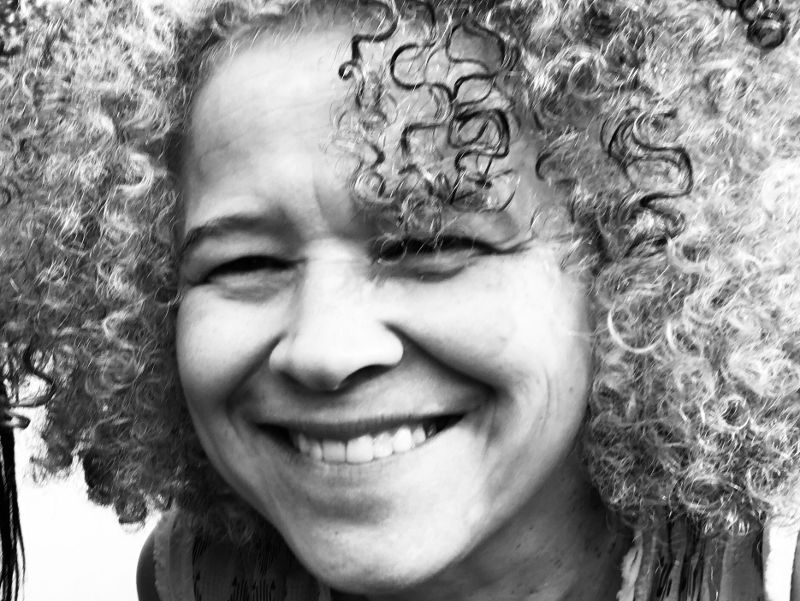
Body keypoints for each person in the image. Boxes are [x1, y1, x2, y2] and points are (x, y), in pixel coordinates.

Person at [2, 0, 800, 600]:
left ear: (633, 268)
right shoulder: (197, 575)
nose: (325, 349)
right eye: (245, 262)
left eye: (429, 244)